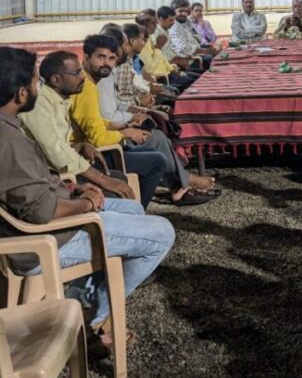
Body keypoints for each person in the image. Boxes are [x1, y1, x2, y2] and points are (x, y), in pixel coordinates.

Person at [0, 46, 175, 343]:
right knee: (162, 232)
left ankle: (84, 291)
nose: (37, 88)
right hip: (43, 240)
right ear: (20, 94)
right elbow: (42, 212)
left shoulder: (9, 128)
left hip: (48, 221)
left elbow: (30, 186)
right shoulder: (9, 140)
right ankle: (92, 318)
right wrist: (87, 202)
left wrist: (70, 188)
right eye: (33, 82)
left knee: (132, 211)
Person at [69, 35, 217, 207]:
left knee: (157, 134)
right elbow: (97, 137)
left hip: (96, 146)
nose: (106, 63)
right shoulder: (86, 87)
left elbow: (95, 120)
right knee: (157, 160)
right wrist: (126, 132)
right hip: (92, 155)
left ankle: (179, 183)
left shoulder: (91, 84)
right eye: (101, 57)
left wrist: (124, 125)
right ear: (86, 58)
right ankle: (140, 209)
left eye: (111, 58)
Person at [20, 50, 135, 200]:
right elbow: (56, 152)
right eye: (77, 73)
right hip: (48, 177)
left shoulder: (61, 101)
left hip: (60, 168)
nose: (83, 77)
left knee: (118, 178)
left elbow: (55, 145)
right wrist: (102, 179)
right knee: (116, 187)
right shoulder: (39, 105)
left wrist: (79, 146)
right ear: (56, 80)